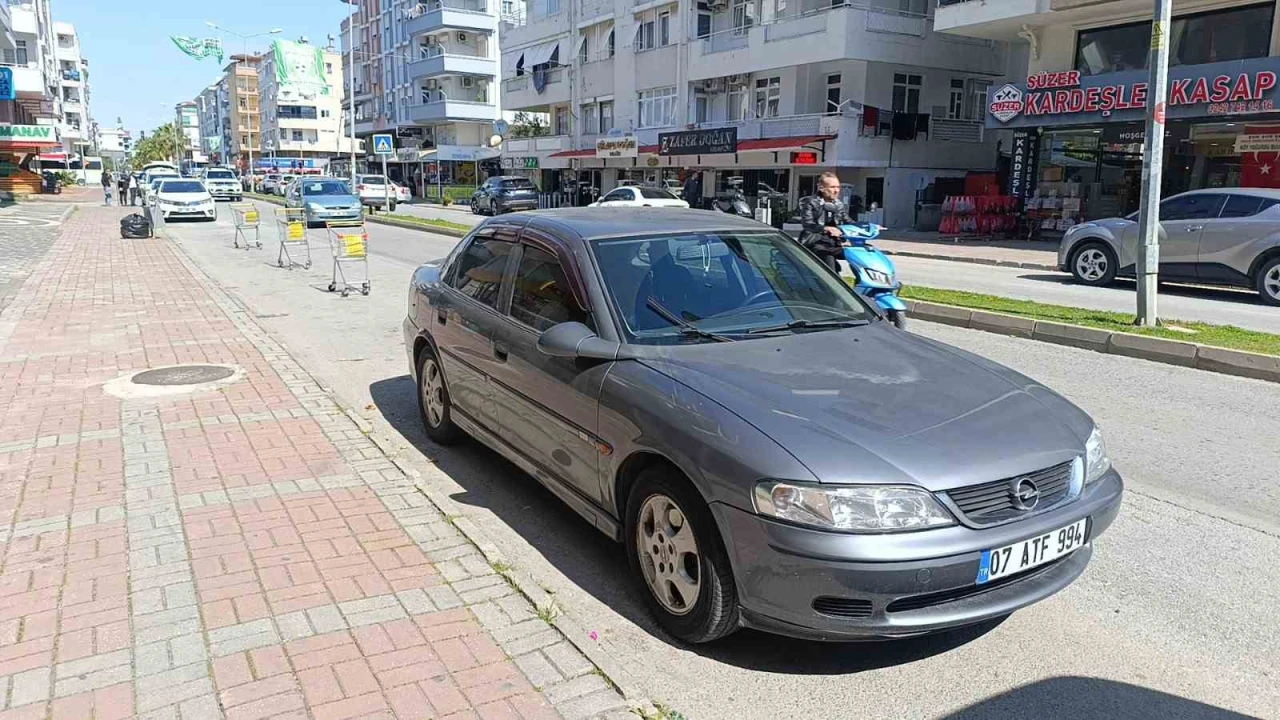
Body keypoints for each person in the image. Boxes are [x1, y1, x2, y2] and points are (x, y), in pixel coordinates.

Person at [797, 172, 851, 272]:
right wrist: (826, 228)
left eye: (838, 187)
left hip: (835, 244)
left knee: (857, 254)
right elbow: (808, 224)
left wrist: (867, 226)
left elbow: (848, 221)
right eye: (832, 187)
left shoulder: (838, 204)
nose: (836, 191)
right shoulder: (811, 202)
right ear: (821, 188)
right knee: (831, 269)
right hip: (817, 243)